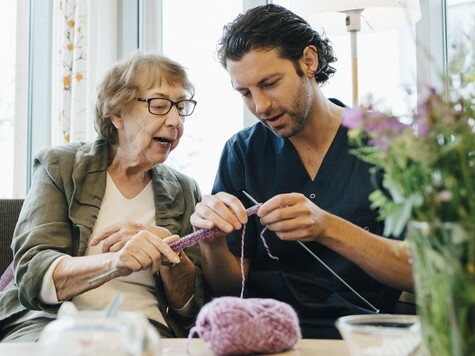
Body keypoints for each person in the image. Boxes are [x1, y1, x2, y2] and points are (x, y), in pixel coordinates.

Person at [190, 4, 414, 339]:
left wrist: (325, 227)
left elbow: (422, 271)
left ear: (309, 61)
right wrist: (212, 243)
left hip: (362, 337)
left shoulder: (390, 144)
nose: (260, 106)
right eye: (245, 93)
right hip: (265, 337)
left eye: (270, 83)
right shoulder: (242, 152)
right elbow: (228, 287)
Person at [0, 50, 206, 342]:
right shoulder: (61, 166)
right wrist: (115, 263)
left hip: (146, 331)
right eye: (160, 105)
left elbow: (191, 309)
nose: (175, 120)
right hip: (50, 324)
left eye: (181, 107)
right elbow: (32, 272)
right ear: (117, 113)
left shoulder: (186, 190)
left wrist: (173, 259)